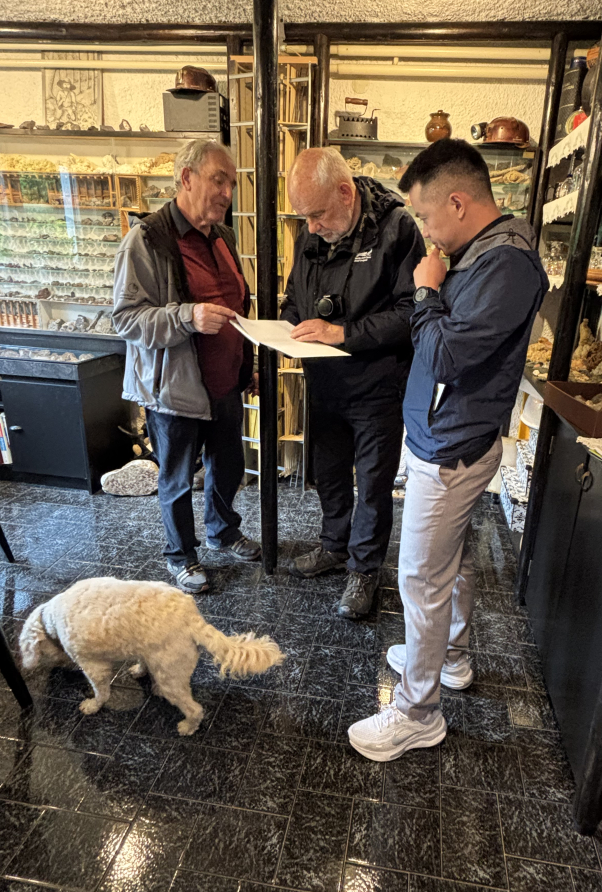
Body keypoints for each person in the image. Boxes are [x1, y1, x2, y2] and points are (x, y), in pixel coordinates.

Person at [347, 138, 549, 761]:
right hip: (447, 434)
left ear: (458, 203)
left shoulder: (505, 263)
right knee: (449, 563)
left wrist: (426, 291)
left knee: (420, 578)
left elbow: (445, 356)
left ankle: (417, 712)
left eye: (428, 217)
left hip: (453, 444)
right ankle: (451, 658)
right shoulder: (483, 253)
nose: (427, 233)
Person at [282, 148, 425, 618]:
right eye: (305, 217)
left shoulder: (398, 229)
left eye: (318, 214)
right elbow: (294, 298)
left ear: (346, 193)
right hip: (324, 382)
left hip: (376, 386)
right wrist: (286, 329)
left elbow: (411, 313)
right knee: (328, 474)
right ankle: (334, 546)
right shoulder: (312, 231)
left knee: (374, 483)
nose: (311, 227)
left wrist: (344, 333)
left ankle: (364, 570)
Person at [113, 138, 260, 595]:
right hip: (175, 390)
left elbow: (236, 306)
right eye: (219, 181)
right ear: (186, 177)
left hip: (224, 383)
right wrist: (187, 316)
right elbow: (126, 319)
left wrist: (247, 362)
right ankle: (181, 556)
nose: (227, 193)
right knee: (177, 478)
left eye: (231, 184)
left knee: (228, 465)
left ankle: (222, 531)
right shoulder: (146, 240)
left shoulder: (223, 237)